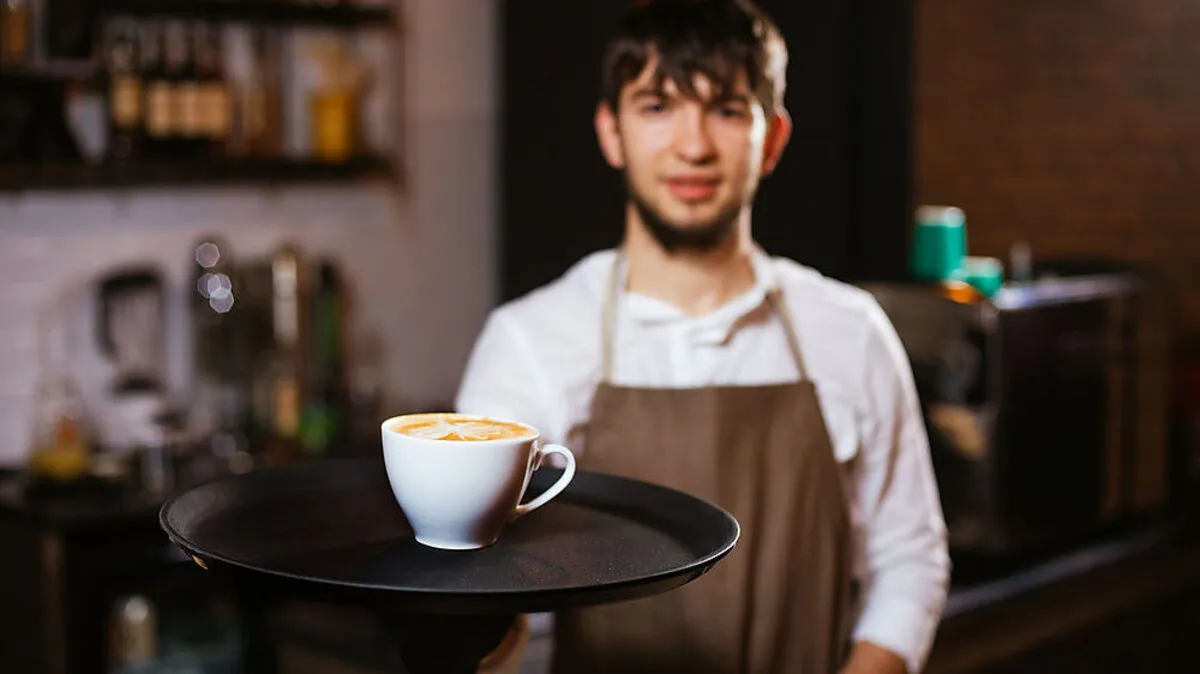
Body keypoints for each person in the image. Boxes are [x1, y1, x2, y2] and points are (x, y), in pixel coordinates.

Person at [457, 1, 950, 672]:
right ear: (612, 132)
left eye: (726, 109)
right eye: (657, 106)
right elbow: (488, 594)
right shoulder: (531, 342)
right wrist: (464, 622)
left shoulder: (851, 332)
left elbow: (909, 561)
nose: (692, 145)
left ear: (771, 139)